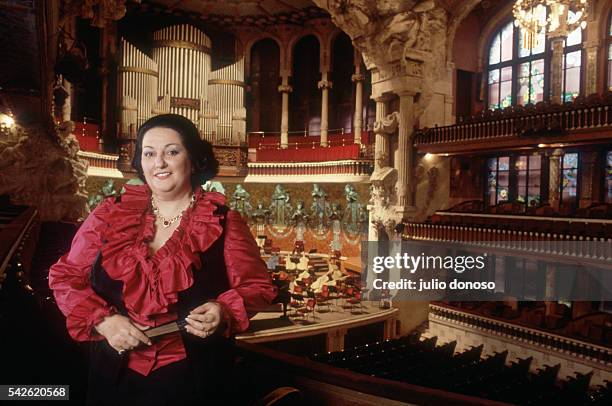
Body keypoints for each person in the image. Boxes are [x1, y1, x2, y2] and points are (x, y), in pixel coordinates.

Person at [48, 114, 276, 405]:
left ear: (193, 160)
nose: (159, 163)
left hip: (192, 380)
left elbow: (257, 287)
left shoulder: (225, 222)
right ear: (140, 162)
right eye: (149, 153)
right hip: (112, 378)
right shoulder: (109, 213)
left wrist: (223, 310)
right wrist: (104, 321)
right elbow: (66, 277)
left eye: (172, 151)